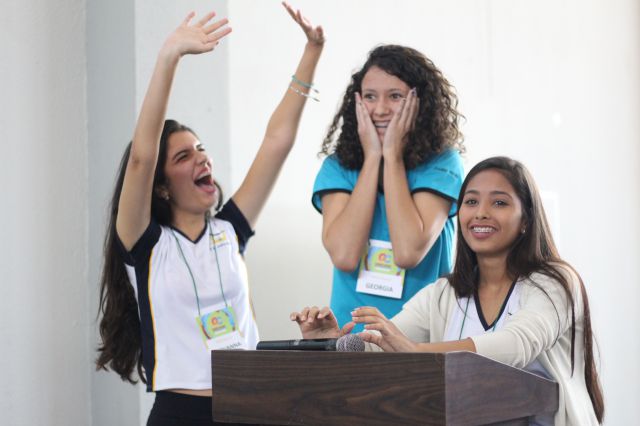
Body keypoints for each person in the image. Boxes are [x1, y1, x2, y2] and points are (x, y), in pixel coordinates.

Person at [96, 3, 324, 425]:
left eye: (201, 148)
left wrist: (312, 51)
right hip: (181, 412)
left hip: (252, 406)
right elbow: (141, 160)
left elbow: (277, 141)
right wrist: (169, 57)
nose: (202, 158)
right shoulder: (145, 243)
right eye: (184, 156)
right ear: (162, 186)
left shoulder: (229, 230)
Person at [293, 157, 604, 425]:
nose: (481, 213)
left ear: (526, 220)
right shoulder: (443, 293)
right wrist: (331, 343)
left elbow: (517, 346)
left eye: (499, 202)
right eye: (471, 202)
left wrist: (416, 352)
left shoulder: (555, 283)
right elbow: (385, 346)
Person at [312, 44, 465, 329]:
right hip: (351, 336)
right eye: (370, 96)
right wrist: (373, 157)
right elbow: (344, 256)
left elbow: (408, 253)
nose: (380, 110)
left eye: (395, 96)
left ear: (420, 102)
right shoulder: (338, 167)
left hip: (419, 338)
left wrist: (392, 156)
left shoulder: (442, 163)